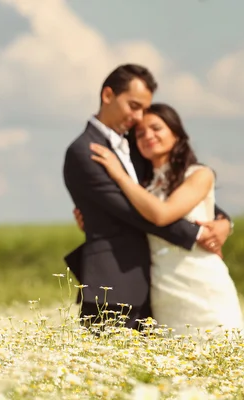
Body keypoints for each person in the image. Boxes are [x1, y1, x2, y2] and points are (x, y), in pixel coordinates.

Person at [62, 63, 234, 331]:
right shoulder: (85, 151)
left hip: (155, 285)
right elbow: (137, 214)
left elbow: (172, 199)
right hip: (114, 286)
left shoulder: (135, 147)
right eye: (133, 106)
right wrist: (198, 235)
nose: (138, 117)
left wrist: (223, 222)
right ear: (108, 95)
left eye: (144, 108)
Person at [89, 102, 243, 335]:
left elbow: (162, 214)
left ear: (176, 132)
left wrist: (118, 175)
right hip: (165, 291)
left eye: (156, 128)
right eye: (140, 133)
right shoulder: (143, 187)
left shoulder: (199, 174)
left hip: (203, 284)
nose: (148, 136)